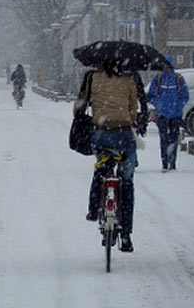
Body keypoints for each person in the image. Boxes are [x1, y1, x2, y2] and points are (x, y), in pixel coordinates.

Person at [74, 60, 138, 252]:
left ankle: (94, 210)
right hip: (124, 136)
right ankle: (126, 234)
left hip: (100, 133)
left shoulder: (92, 77)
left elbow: (79, 107)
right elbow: (133, 111)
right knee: (126, 181)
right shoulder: (129, 79)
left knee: (101, 168)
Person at [147, 55, 189, 171]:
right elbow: (151, 95)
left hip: (175, 114)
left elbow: (185, 96)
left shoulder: (178, 79)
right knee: (163, 139)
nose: (166, 68)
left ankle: (173, 162)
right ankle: (165, 162)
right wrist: (159, 105)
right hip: (162, 115)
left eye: (168, 66)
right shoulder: (158, 79)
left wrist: (178, 106)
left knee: (174, 139)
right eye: (164, 66)